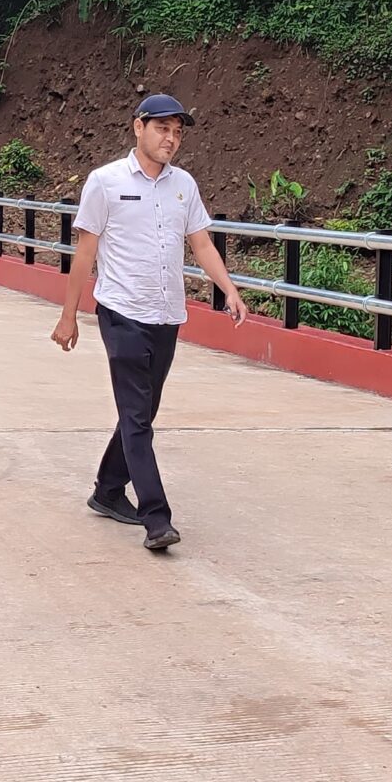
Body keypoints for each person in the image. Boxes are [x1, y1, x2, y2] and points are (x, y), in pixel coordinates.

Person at [51, 94, 248, 551]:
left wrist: (229, 289)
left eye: (178, 132)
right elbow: (85, 253)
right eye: (163, 129)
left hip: (166, 316)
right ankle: (156, 518)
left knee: (139, 413)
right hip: (121, 313)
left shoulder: (184, 186)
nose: (171, 139)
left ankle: (106, 490)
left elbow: (201, 244)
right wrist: (68, 316)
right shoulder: (105, 182)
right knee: (139, 418)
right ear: (138, 127)